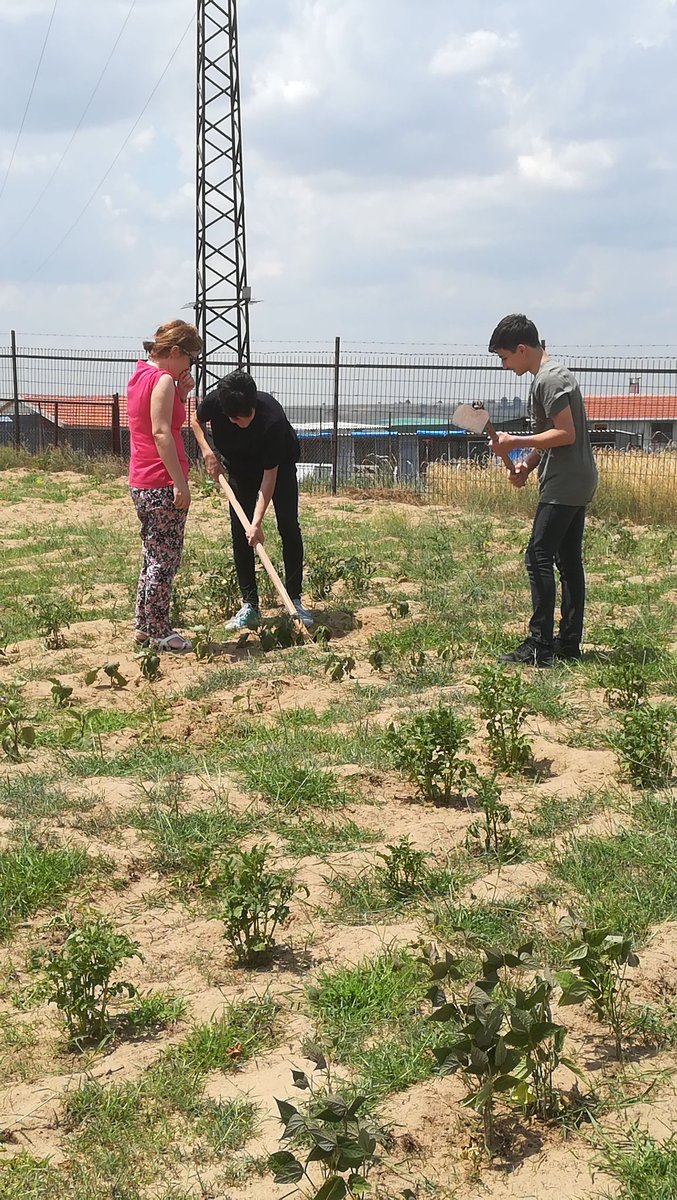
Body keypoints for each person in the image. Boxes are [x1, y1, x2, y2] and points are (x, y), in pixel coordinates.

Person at [487, 313, 598, 667]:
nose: (505, 366)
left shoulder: (547, 380)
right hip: (576, 478)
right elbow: (553, 435)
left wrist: (516, 439)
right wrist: (527, 463)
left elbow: (567, 434)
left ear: (522, 349)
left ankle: (540, 646)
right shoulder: (555, 375)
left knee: (538, 558)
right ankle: (568, 644)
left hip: (564, 484)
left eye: (505, 358)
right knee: (567, 561)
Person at [191, 369, 313, 630]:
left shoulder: (272, 420)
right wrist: (208, 452)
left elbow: (269, 479)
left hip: (278, 467)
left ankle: (295, 599)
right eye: (233, 419)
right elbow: (195, 421)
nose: (239, 423)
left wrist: (257, 522)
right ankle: (250, 605)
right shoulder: (216, 402)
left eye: (245, 417)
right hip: (239, 468)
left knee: (288, 527)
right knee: (240, 533)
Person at [127, 319, 203, 652]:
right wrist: (179, 482)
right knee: (165, 559)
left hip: (142, 479)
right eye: (189, 358)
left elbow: (156, 420)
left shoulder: (141, 375)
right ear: (174, 351)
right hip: (160, 481)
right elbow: (161, 433)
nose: (190, 365)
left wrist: (182, 394)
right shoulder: (162, 381)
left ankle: (144, 625)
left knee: (152, 554)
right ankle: (159, 630)